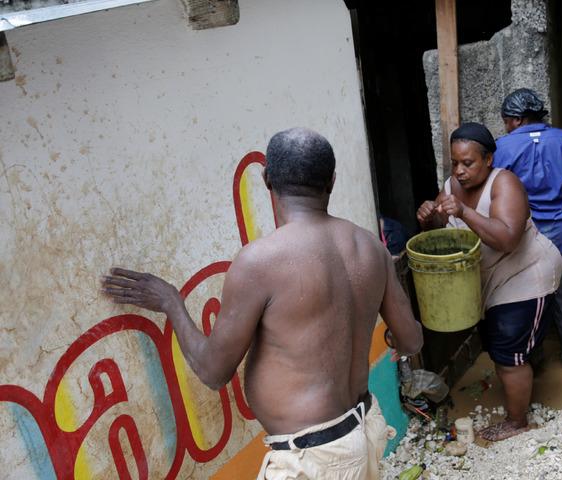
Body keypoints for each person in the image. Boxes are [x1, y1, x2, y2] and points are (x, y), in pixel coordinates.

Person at [101, 128, 423, 480]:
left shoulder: (261, 261)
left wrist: (171, 302)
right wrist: (389, 339)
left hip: (313, 460)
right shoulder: (369, 247)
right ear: (331, 181)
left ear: (267, 178)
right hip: (364, 429)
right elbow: (411, 340)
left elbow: (212, 371)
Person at [416, 122, 561, 441]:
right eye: (455, 162)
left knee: (508, 354)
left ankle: (518, 421)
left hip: (527, 273)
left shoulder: (505, 184)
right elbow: (442, 224)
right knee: (503, 345)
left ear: (489, 160)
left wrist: (465, 211)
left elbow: (508, 239)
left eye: (468, 163)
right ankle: (526, 368)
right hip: (493, 277)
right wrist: (431, 217)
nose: (460, 170)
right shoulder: (452, 184)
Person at [494, 88, 562, 370]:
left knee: (529, 305)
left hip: (528, 239)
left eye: (506, 120)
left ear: (516, 119)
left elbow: (492, 188)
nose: (506, 125)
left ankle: (534, 365)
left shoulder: (503, 148)